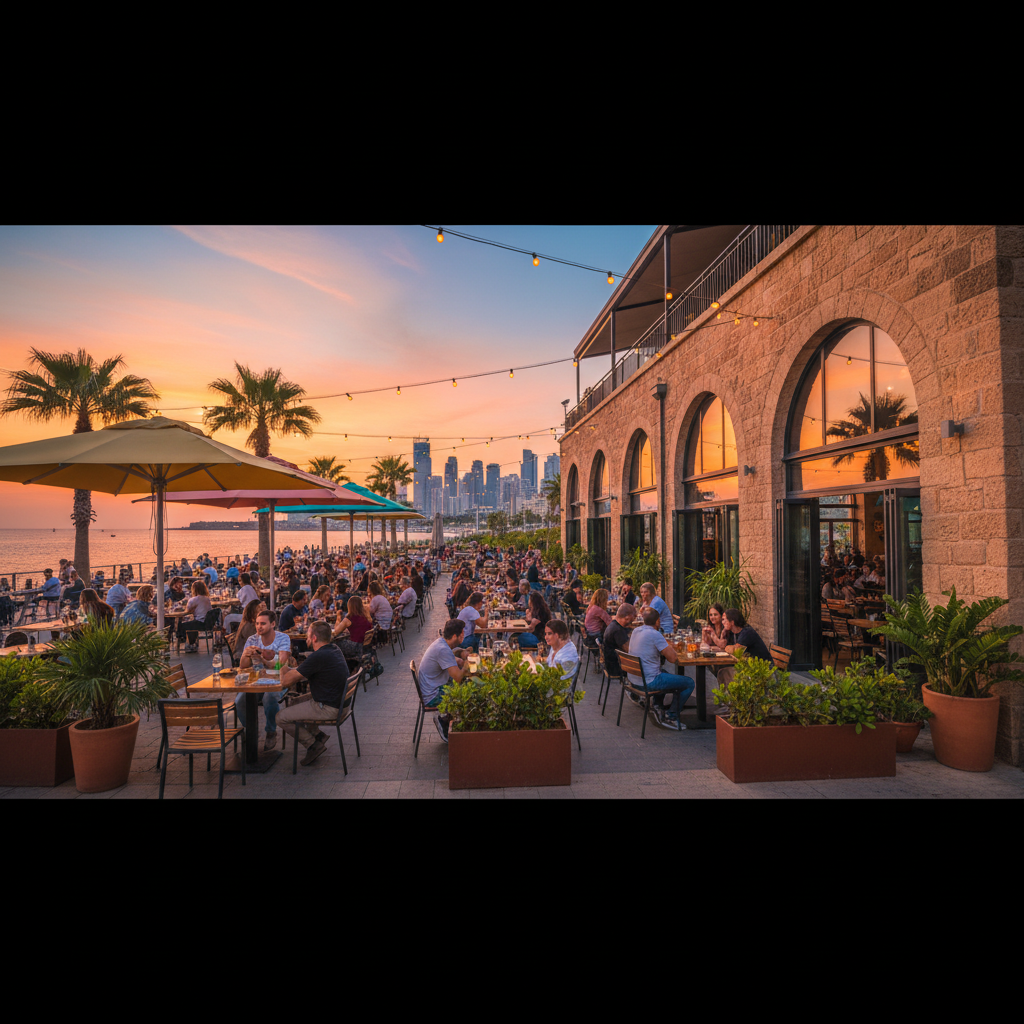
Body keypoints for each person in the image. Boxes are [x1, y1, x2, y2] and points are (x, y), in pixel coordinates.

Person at [276, 620, 352, 765]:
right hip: (340, 702)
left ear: (315, 638)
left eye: (308, 635)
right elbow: (304, 672)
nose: (307, 638)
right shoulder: (333, 649)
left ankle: (312, 744)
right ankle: (318, 735)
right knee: (294, 702)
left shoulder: (318, 656)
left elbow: (285, 682)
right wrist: (292, 670)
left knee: (280, 717)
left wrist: (282, 664)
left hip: (330, 708)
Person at [236, 609, 294, 751]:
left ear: (273, 624)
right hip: (256, 682)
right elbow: (243, 666)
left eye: (263, 623)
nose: (259, 627)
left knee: (270, 697)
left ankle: (270, 731)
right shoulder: (252, 639)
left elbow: (281, 664)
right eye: (257, 623)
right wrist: (246, 655)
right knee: (240, 701)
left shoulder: (283, 638)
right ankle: (250, 731)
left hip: (279, 681)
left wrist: (262, 657)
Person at [627, 607, 694, 730]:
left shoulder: (636, 630)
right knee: (689, 683)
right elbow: (673, 658)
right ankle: (671, 716)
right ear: (658, 621)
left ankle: (658, 707)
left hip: (634, 680)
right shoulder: (655, 634)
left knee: (664, 673)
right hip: (648, 682)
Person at [421, 619, 473, 743]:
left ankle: (449, 720)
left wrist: (462, 657)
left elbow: (455, 660)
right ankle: (445, 722)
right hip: (432, 695)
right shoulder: (443, 650)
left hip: (432, 687)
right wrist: (468, 664)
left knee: (468, 685)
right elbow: (459, 678)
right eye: (462, 634)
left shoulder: (442, 644)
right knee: (467, 692)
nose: (463, 636)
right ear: (455, 636)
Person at [713, 608, 773, 689]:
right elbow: (724, 646)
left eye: (724, 620)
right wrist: (723, 635)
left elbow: (736, 651)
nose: (722, 622)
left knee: (723, 670)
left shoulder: (747, 632)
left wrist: (728, 647)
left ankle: (731, 696)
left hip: (762, 668)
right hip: (749, 665)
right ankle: (730, 696)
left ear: (732, 622)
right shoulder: (732, 632)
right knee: (720, 668)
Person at [333, 595, 375, 669]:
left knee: (334, 644)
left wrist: (338, 618)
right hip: (365, 646)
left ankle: (340, 668)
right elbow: (358, 629)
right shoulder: (366, 617)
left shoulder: (349, 618)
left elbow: (336, 632)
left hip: (356, 647)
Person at [178, 580, 214, 652]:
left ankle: (185, 641)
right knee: (192, 623)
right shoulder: (207, 599)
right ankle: (192, 643)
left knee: (182, 625)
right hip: (208, 623)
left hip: (200, 622)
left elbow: (186, 611)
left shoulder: (193, 599)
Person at [602, 603, 636, 678]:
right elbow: (630, 651)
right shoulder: (618, 631)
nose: (634, 620)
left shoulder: (614, 624)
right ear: (627, 617)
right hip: (616, 667)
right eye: (633, 617)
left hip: (610, 664)